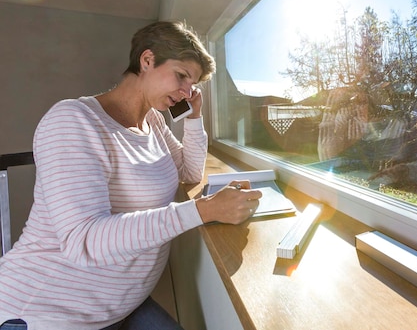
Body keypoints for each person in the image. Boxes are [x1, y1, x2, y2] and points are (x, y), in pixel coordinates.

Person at [0, 21, 262, 330]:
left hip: (119, 305)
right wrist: (204, 210)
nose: (187, 90)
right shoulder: (72, 121)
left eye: (192, 84)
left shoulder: (152, 121)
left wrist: (195, 115)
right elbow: (83, 241)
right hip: (49, 313)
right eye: (181, 76)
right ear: (147, 60)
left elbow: (190, 171)